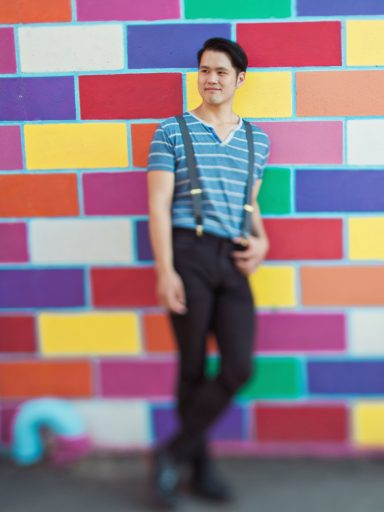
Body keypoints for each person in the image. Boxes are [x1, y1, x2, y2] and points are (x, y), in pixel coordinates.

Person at [146, 37, 270, 508]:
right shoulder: (171, 132)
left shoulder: (258, 139)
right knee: (193, 367)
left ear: (240, 79)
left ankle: (171, 454)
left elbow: (248, 201)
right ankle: (198, 470)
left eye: (221, 71)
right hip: (188, 253)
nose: (211, 79)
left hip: (233, 256)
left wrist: (263, 238)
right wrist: (165, 271)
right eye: (204, 70)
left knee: (238, 367)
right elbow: (157, 206)